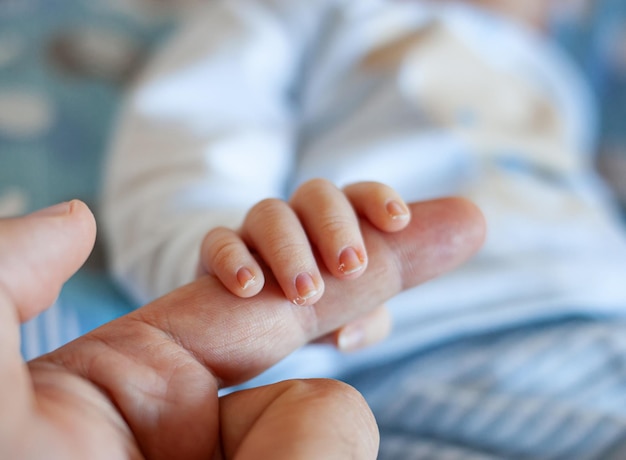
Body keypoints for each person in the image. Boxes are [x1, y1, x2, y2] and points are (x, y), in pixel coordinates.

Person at [102, 0, 626, 457]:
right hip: (417, 356)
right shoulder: (311, 11)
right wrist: (223, 258)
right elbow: (192, 130)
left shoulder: (550, 75)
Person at [0, 198, 484, 459]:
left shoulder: (559, 84)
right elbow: (194, 129)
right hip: (400, 371)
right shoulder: (326, 13)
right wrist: (223, 252)